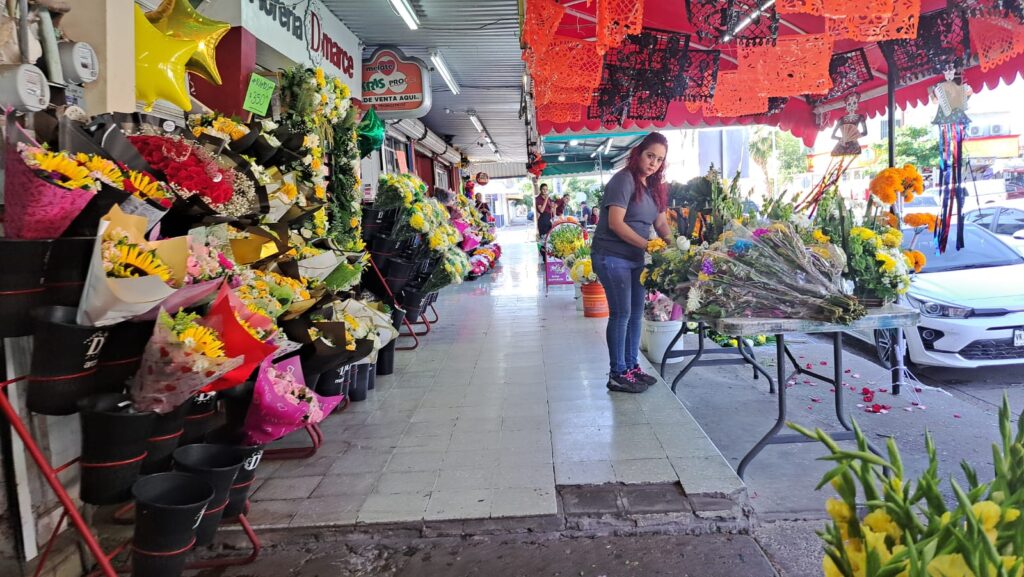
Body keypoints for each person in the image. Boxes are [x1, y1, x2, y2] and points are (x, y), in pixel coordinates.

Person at [590, 132, 673, 394]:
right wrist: (648, 245)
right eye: (650, 156)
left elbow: (660, 223)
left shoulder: (654, 187)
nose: (653, 163)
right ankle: (617, 373)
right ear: (639, 153)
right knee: (621, 313)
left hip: (636, 259)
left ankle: (631, 367)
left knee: (636, 314)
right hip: (612, 256)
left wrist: (676, 247)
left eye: (659, 160)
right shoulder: (623, 180)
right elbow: (615, 223)